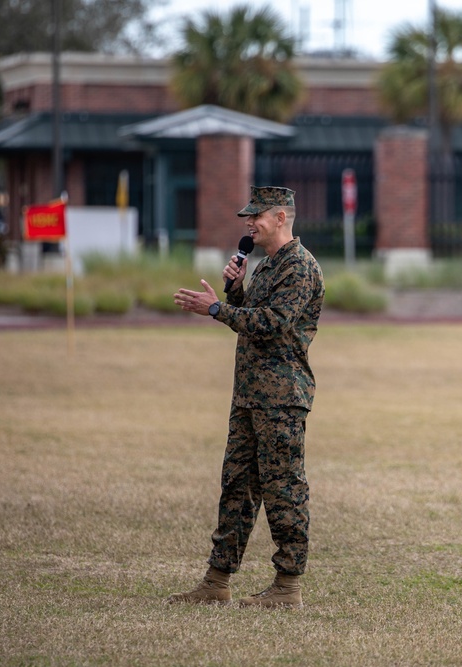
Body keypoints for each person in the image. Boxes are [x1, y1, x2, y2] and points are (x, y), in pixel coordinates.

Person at [167, 185, 324, 609]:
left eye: (256, 216)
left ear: (280, 218)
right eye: (247, 218)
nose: (249, 223)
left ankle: (287, 587)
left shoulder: (300, 267)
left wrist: (217, 310)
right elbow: (253, 317)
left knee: (283, 489)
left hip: (281, 398)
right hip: (250, 395)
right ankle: (216, 581)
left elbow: (272, 323)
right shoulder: (268, 265)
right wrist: (234, 293)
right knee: (236, 488)